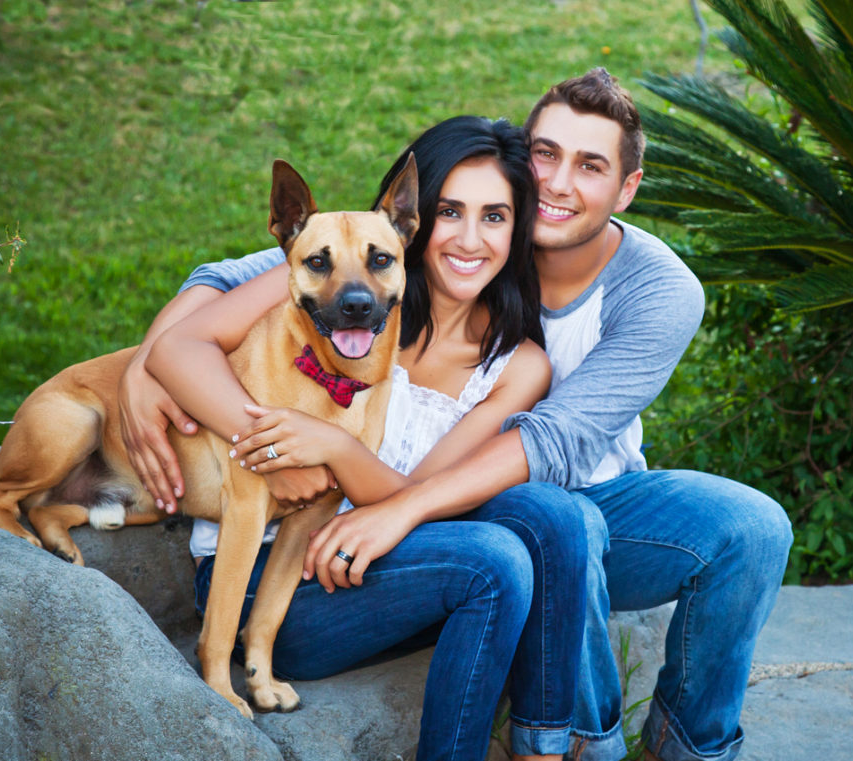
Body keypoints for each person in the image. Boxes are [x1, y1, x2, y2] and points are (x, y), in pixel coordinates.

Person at [124, 69, 794, 761]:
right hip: (367, 542)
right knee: (526, 535)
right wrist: (145, 373)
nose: (559, 184)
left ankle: (661, 749)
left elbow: (550, 443)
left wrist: (374, 488)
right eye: (546, 156)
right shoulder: (373, 277)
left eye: (589, 165)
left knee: (724, 524)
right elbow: (252, 272)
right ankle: (574, 746)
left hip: (545, 500)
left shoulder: (633, 296)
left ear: (626, 187)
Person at [143, 116, 590, 761]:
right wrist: (154, 384)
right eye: (450, 213)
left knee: (550, 517)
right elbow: (181, 343)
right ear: (418, 218)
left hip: (367, 560)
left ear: (520, 229)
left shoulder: (512, 362)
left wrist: (331, 449)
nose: (469, 238)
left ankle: (549, 747)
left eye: (495, 216)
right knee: (496, 562)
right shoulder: (324, 291)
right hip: (267, 570)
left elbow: (415, 492)